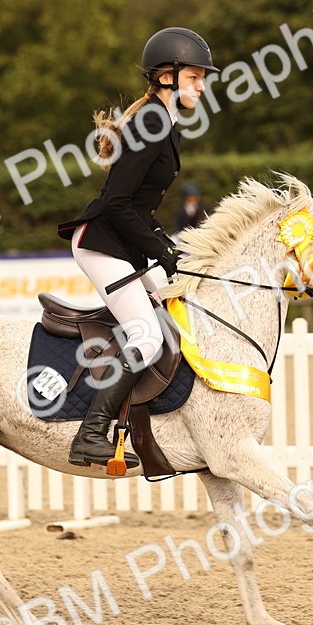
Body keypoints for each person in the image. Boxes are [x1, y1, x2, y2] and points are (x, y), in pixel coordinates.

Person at [55, 27, 217, 469]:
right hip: (102, 245)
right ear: (168, 75)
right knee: (145, 339)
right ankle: (90, 435)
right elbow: (116, 202)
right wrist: (159, 251)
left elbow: (140, 205)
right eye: (195, 77)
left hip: (125, 242)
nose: (201, 86)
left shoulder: (163, 120)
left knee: (175, 306)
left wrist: (164, 244)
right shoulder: (151, 120)